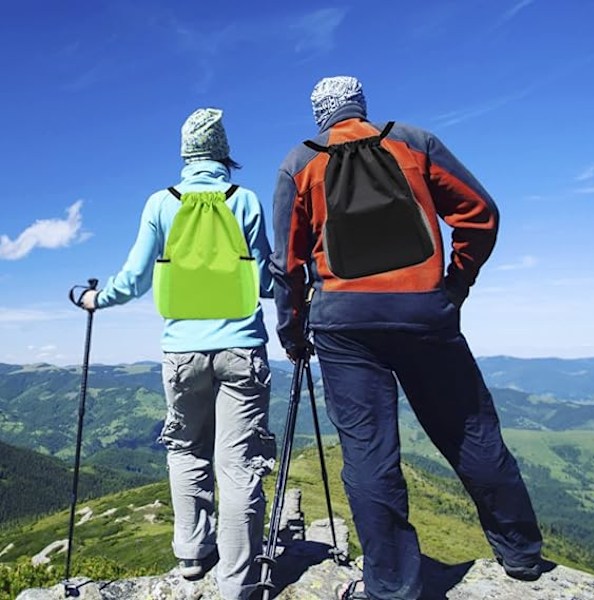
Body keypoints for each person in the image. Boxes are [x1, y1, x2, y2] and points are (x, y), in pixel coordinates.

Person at [269, 76, 543, 600]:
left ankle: (393, 585)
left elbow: (287, 264)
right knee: (470, 432)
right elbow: (480, 214)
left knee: (369, 453)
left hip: (343, 325)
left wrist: (292, 328)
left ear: (319, 115)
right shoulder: (413, 142)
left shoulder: (299, 163)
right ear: (362, 106)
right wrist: (454, 283)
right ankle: (522, 555)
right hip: (424, 312)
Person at [80, 107, 275, 600]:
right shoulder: (244, 200)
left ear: (185, 155)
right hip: (241, 348)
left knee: (185, 449)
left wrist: (94, 299)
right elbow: (267, 280)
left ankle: (191, 555)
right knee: (238, 464)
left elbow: (135, 277)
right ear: (224, 154)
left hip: (182, 353)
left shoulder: (160, 204)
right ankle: (238, 583)